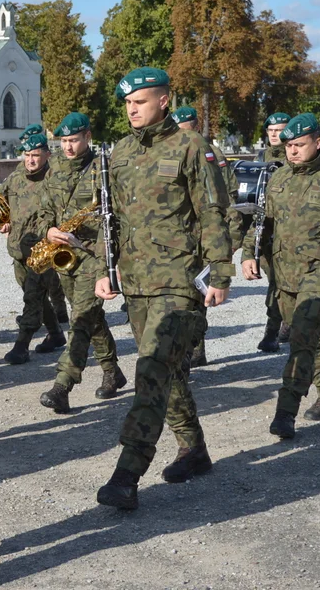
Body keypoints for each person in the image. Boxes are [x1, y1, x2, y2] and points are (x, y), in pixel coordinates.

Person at [94, 67, 232, 510]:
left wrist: (220, 274)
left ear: (164, 100)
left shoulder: (192, 147)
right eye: (128, 104)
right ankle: (194, 449)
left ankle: (127, 472)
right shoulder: (120, 152)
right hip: (136, 282)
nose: (132, 110)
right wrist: (104, 267)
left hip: (178, 280)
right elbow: (109, 217)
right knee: (166, 372)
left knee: (151, 370)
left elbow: (213, 213)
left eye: (140, 101)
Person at [241, 113, 320, 438]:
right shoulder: (279, 180)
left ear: (317, 142)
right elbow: (262, 224)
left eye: (299, 145)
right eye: (289, 146)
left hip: (319, 274)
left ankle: (286, 411)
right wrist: (248, 254)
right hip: (284, 277)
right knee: (309, 336)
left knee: (300, 338)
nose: (293, 151)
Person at [37, 111, 125, 412]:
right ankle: (112, 371)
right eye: (63, 141)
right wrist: (48, 229)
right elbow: (45, 208)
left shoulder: (103, 167)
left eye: (74, 140)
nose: (68, 147)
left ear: (88, 137)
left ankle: (63, 384)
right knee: (90, 317)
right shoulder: (56, 167)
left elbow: (114, 220)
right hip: (66, 256)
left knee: (80, 320)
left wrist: (108, 266)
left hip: (92, 254)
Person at [172, 104, 241, 367]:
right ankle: (190, 349)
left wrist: (230, 240)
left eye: (186, 129)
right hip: (183, 237)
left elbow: (227, 200)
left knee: (201, 293)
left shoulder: (212, 153)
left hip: (208, 235)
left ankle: (196, 347)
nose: (182, 135)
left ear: (196, 127)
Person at [2, 132, 67, 364]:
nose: (30, 160)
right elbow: (2, 199)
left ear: (47, 155)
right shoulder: (18, 176)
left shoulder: (54, 180)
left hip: (43, 251)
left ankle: (21, 345)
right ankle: (57, 334)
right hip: (18, 248)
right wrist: (4, 219)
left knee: (32, 297)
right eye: (27, 155)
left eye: (35, 155)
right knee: (36, 297)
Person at [254, 112, 291, 352]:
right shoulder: (260, 157)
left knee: (285, 282)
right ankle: (279, 324)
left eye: (280, 129)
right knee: (274, 282)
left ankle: (279, 327)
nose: (275, 134)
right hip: (267, 232)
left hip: (291, 232)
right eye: (271, 130)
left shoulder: (296, 155)